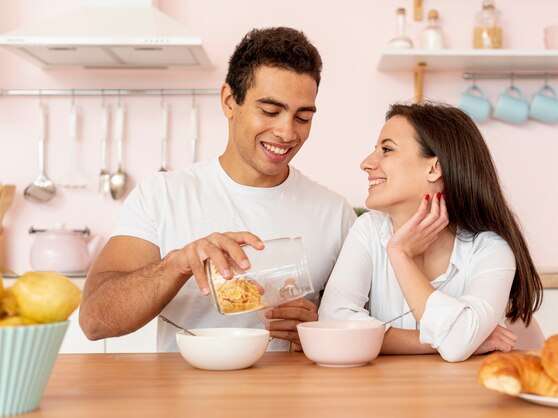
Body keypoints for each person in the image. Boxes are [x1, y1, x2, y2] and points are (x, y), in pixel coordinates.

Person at [80, 27, 356, 352]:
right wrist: (178, 263)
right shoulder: (162, 196)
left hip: (290, 400)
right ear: (229, 100)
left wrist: (317, 326)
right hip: (184, 399)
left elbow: (360, 325)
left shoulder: (335, 213)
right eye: (270, 111)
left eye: (303, 117)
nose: (286, 132)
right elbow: (94, 320)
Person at [318, 102, 543, 362]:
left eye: (386, 150)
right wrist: (440, 340)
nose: (366, 164)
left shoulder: (490, 250)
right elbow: (334, 323)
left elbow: (457, 345)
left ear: (434, 168)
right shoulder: (368, 230)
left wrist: (400, 254)